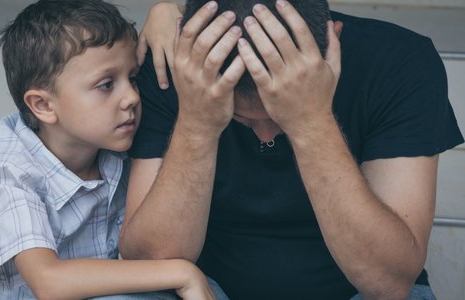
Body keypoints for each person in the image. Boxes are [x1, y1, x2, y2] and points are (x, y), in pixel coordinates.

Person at [119, 0, 464, 299]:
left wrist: (310, 121)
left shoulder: (400, 61)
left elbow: (387, 285)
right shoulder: (173, 66)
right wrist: (198, 123)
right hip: (204, 290)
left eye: (276, 115)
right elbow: (153, 263)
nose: (265, 132)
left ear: (332, 44)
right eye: (241, 117)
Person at [0, 0, 227, 299]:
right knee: (188, 280)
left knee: (210, 290)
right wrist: (182, 272)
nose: (131, 97)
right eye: (106, 85)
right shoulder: (8, 167)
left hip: (95, 294)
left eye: (132, 79)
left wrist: (163, 11)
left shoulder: (112, 136)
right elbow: (48, 281)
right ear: (43, 105)